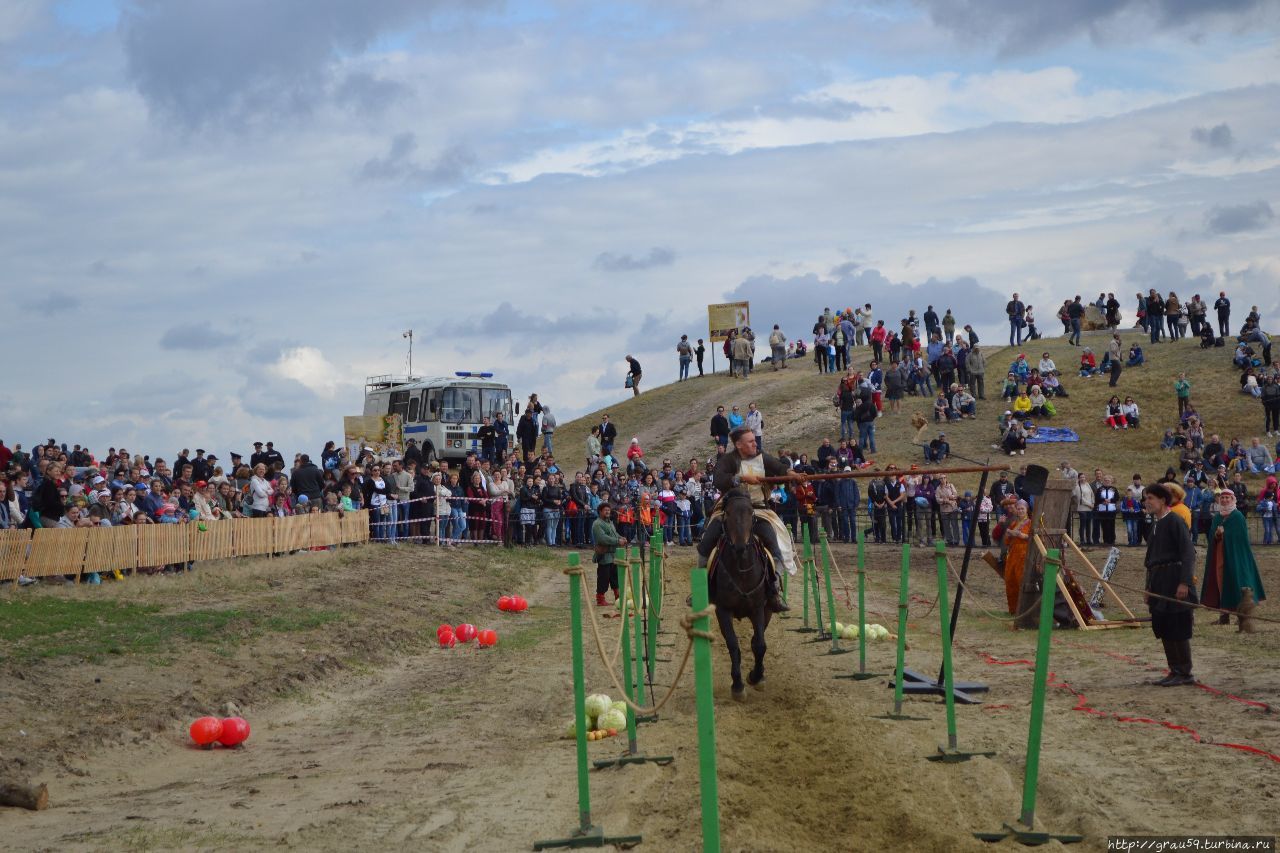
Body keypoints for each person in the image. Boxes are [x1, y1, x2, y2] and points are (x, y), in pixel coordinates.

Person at [697, 427, 801, 612]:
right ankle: (701, 589)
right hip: (731, 510)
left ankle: (773, 590)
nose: (755, 443)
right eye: (751, 441)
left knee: (776, 545)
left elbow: (778, 468)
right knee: (706, 542)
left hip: (759, 510)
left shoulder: (762, 457)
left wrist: (791, 474)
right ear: (739, 445)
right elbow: (719, 479)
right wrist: (741, 478)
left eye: (755, 440)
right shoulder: (728, 460)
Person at [1142, 484, 1198, 686]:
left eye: (1150, 498)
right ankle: (1174, 670)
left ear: (1163, 500)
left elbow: (1188, 553)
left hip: (1175, 578)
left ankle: (1185, 672)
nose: (1147, 502)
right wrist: (1148, 587)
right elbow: (1151, 560)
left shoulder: (1175, 520)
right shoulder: (1155, 524)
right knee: (1164, 625)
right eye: (1146, 499)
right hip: (1159, 581)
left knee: (1177, 625)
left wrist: (1184, 582)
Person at [1201, 489, 1266, 625]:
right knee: (1221, 582)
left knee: (1237, 582)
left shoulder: (1237, 517)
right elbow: (1212, 536)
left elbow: (1240, 539)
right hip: (1220, 556)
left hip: (1236, 557)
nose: (1224, 500)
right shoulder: (1217, 517)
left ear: (1232, 499)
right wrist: (1218, 535)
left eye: (1227, 498)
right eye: (1222, 497)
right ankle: (1224, 616)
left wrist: (1225, 535)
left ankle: (1242, 615)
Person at [1002, 500, 1032, 614]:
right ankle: (1013, 610)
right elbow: (1006, 541)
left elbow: (1034, 538)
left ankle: (1024, 610)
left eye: (1022, 509)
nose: (1020, 511)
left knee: (1021, 581)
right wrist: (1009, 534)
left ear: (1026, 510)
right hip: (1012, 555)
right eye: (1018, 509)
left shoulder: (1030, 523)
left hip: (1024, 555)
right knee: (1010, 581)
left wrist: (1021, 535)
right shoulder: (1014, 524)